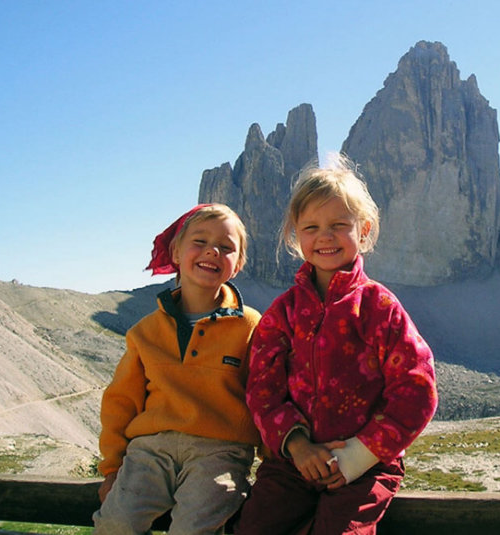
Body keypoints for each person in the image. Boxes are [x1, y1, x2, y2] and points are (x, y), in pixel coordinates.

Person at [235, 155, 438, 534]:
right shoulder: (282, 313)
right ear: (296, 236)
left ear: (364, 230)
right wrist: (297, 445)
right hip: (293, 464)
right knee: (255, 527)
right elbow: (262, 389)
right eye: (311, 227)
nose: (324, 236)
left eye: (338, 225)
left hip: (368, 465)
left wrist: (359, 457)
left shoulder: (380, 307)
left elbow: (417, 389)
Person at [93, 203, 262, 535]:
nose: (212, 251)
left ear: (238, 264)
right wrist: (112, 469)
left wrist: (274, 465)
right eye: (199, 241)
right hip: (149, 453)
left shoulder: (252, 326)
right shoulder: (144, 332)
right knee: (115, 523)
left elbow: (265, 397)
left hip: (221, 453)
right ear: (175, 251)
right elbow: (120, 402)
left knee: (193, 528)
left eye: (226, 248)